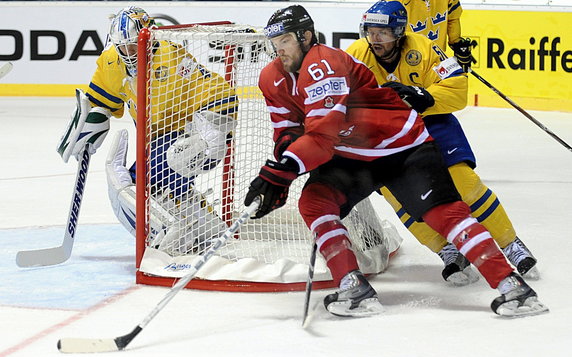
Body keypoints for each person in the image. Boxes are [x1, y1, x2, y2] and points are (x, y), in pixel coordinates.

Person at [244, 4, 547, 318]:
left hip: (400, 144)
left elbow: (322, 133)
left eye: (285, 41)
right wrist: (283, 166)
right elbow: (288, 131)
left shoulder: (324, 62)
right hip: (354, 155)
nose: (279, 50)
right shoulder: (272, 77)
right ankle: (353, 287)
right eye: (274, 43)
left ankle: (512, 286)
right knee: (315, 203)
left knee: (443, 210)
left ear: (306, 36)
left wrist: (284, 171)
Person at [346, 1, 539, 286]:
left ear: (399, 32)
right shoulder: (355, 56)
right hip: (386, 135)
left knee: (463, 184)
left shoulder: (423, 47)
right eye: (370, 32)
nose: (375, 40)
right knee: (400, 196)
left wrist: (425, 96)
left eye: (382, 33)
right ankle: (448, 251)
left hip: (431, 123)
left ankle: (511, 244)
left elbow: (458, 88)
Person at [56, 6, 236, 254]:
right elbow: (98, 103)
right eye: (124, 47)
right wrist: (85, 131)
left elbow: (210, 86)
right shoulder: (111, 63)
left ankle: (166, 237)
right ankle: (209, 230)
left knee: (133, 184)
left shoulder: (171, 57)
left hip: (188, 141)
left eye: (133, 46)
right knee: (159, 188)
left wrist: (215, 127)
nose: (129, 53)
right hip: (154, 141)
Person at [395, 0, 476, 73]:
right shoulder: (397, 2)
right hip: (407, 63)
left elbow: (453, 18)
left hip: (436, 63)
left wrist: (457, 43)